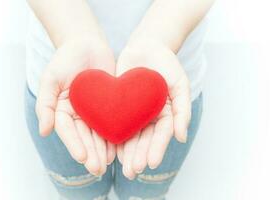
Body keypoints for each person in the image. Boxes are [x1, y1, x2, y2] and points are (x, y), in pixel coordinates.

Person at [25, 0, 213, 199]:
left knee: (145, 194)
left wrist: (160, 36)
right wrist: (73, 34)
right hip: (63, 85)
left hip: (168, 91)